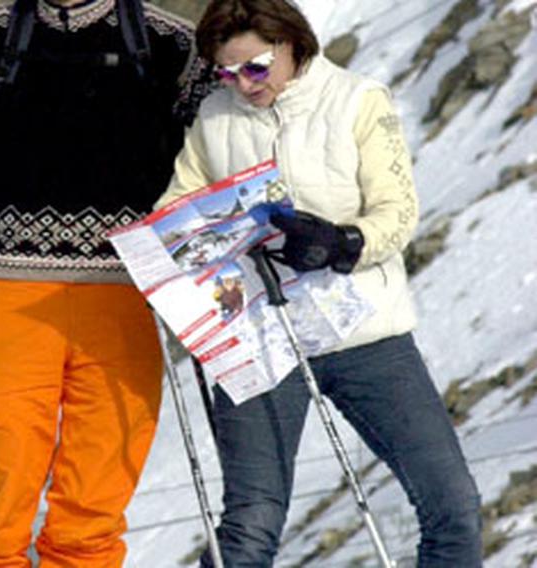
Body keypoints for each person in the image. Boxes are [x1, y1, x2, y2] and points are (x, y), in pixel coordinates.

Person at [155, 0, 483, 566]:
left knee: (452, 506)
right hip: (260, 339)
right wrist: (195, 238)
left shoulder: (357, 100)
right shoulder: (215, 117)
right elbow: (176, 210)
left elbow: (396, 211)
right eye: (226, 72)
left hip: (364, 331)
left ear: (291, 43)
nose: (243, 84)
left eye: (254, 67)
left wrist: (344, 242)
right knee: (249, 529)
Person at [0, 0, 209, 565]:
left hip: (127, 291)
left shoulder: (169, 44)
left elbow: (222, 148)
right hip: (11, 294)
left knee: (96, 497)